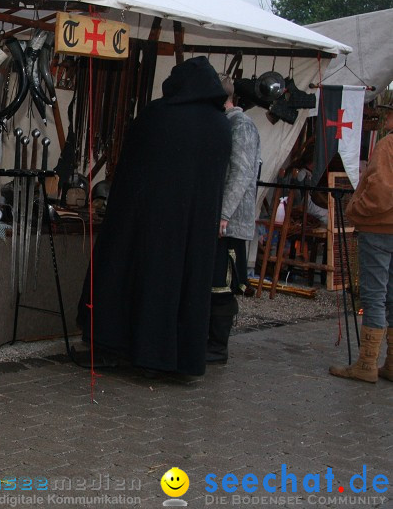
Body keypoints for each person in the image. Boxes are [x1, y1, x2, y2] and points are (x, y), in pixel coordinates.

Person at [74, 56, 232, 376]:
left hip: (148, 224)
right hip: (196, 231)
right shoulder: (220, 125)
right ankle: (179, 360)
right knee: (184, 289)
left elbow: (132, 172)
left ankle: (134, 351)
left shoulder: (158, 115)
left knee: (143, 283)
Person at [329, 108, 393, 383]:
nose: (386, 118)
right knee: (390, 295)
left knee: (375, 295)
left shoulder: (388, 144)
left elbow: (380, 192)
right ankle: (390, 363)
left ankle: (367, 364)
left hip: (380, 227)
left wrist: (357, 209)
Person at [208, 75, 261, 364]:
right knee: (212, 284)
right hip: (219, 219)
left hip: (228, 223)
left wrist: (224, 214)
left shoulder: (241, 126)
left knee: (222, 286)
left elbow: (240, 173)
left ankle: (217, 346)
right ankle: (208, 341)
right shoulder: (225, 124)